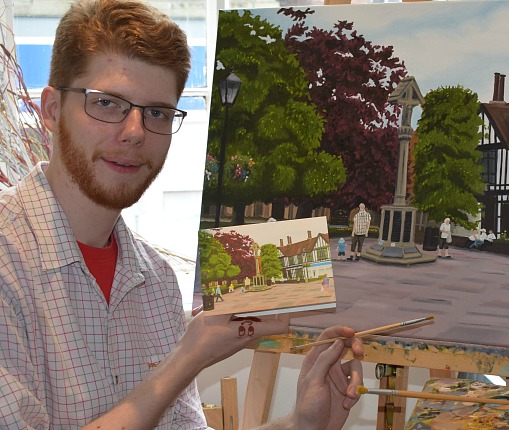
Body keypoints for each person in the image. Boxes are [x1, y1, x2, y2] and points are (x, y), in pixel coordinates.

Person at [0, 1, 364, 428]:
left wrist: (300, 423)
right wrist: (186, 359)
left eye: (156, 112)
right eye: (107, 103)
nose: (135, 132)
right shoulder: (9, 264)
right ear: (52, 110)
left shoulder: (155, 280)